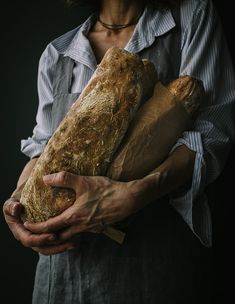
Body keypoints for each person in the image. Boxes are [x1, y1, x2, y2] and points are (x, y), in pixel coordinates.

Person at [3, 0, 235, 303]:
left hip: (152, 268)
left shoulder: (192, 17)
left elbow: (211, 134)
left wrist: (137, 193)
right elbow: (43, 150)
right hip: (61, 275)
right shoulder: (57, 54)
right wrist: (17, 204)